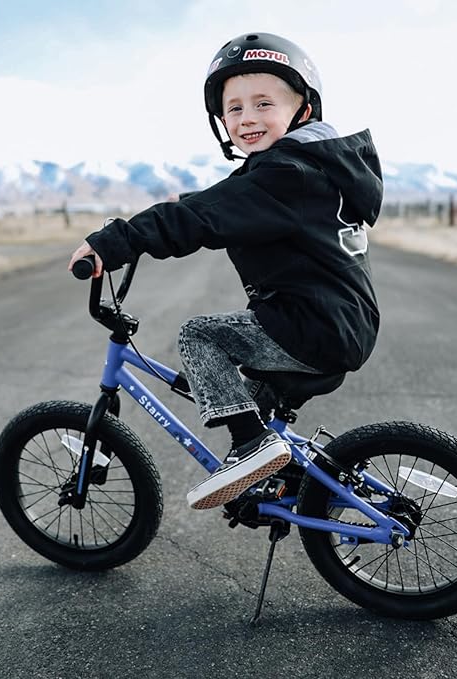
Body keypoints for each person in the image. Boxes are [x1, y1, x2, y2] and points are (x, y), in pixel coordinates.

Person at [68, 32, 383, 511]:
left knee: (199, 336)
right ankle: (290, 483)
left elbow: (206, 216)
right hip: (335, 324)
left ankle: (251, 447)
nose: (247, 117)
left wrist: (115, 243)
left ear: (303, 110)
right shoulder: (306, 170)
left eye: (263, 103)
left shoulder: (287, 175)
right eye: (234, 108)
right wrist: (180, 204)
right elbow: (223, 201)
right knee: (250, 395)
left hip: (314, 327)